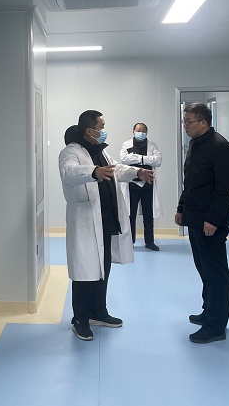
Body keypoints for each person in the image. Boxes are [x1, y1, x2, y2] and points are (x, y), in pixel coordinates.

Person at [59, 111, 155, 341]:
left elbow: (116, 169)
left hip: (105, 219)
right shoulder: (71, 152)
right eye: (101, 126)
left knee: (103, 268)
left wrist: (137, 172)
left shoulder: (100, 151)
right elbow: (69, 172)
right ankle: (80, 319)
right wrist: (93, 172)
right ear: (89, 130)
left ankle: (98, 313)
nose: (104, 130)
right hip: (85, 220)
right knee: (85, 272)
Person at [175, 102, 229, 344]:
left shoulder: (220, 147)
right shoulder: (196, 144)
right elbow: (190, 182)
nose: (185, 126)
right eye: (184, 121)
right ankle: (208, 310)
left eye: (188, 122)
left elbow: (224, 189)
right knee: (203, 268)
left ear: (203, 123)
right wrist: (181, 208)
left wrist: (213, 219)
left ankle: (216, 326)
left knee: (215, 273)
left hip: (210, 222)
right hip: (194, 218)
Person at [120, 123, 162, 251]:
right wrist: (146, 159)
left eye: (143, 131)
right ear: (133, 131)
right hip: (132, 184)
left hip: (148, 185)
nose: (140, 133)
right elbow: (124, 159)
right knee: (130, 215)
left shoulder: (152, 145)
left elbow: (158, 160)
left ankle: (149, 241)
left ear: (147, 132)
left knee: (148, 215)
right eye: (138, 130)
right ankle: (130, 241)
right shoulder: (126, 144)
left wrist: (137, 158)